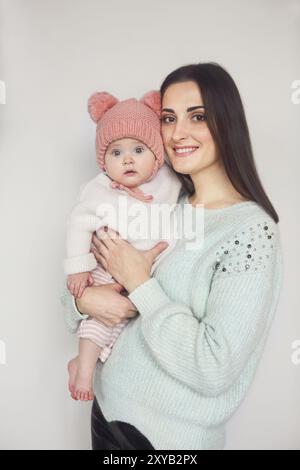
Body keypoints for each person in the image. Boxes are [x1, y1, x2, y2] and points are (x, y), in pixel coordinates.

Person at [61, 62, 283, 450]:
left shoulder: (250, 231)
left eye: (197, 116)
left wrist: (140, 282)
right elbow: (83, 284)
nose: (177, 133)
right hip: (106, 412)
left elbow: (214, 367)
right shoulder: (160, 205)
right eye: (168, 118)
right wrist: (82, 301)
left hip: (166, 442)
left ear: (227, 123)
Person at [64, 91, 181, 401]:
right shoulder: (99, 190)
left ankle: (86, 361)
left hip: (147, 273)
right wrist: (78, 268)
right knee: (102, 316)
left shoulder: (169, 181)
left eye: (139, 149)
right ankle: (85, 366)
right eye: (116, 153)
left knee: (121, 321)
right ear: (104, 162)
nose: (127, 159)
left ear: (157, 157)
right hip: (107, 266)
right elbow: (79, 224)